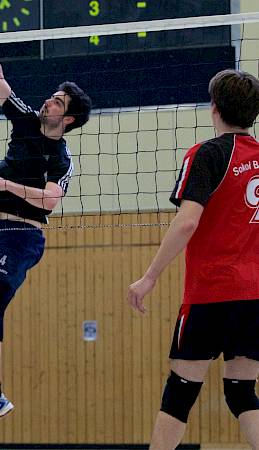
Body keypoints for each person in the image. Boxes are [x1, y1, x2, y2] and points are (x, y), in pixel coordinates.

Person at [0, 15, 92, 433]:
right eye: (52, 97)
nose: (49, 102)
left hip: (26, 236)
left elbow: (50, 200)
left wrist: (4, 184)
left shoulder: (61, 158)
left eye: (58, 102)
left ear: (68, 119)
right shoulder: (26, 121)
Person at [127, 69, 259, 450]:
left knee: (180, 392)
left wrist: (150, 276)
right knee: (241, 390)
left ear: (214, 107)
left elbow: (187, 222)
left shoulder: (207, 154)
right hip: (255, 297)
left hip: (212, 294)